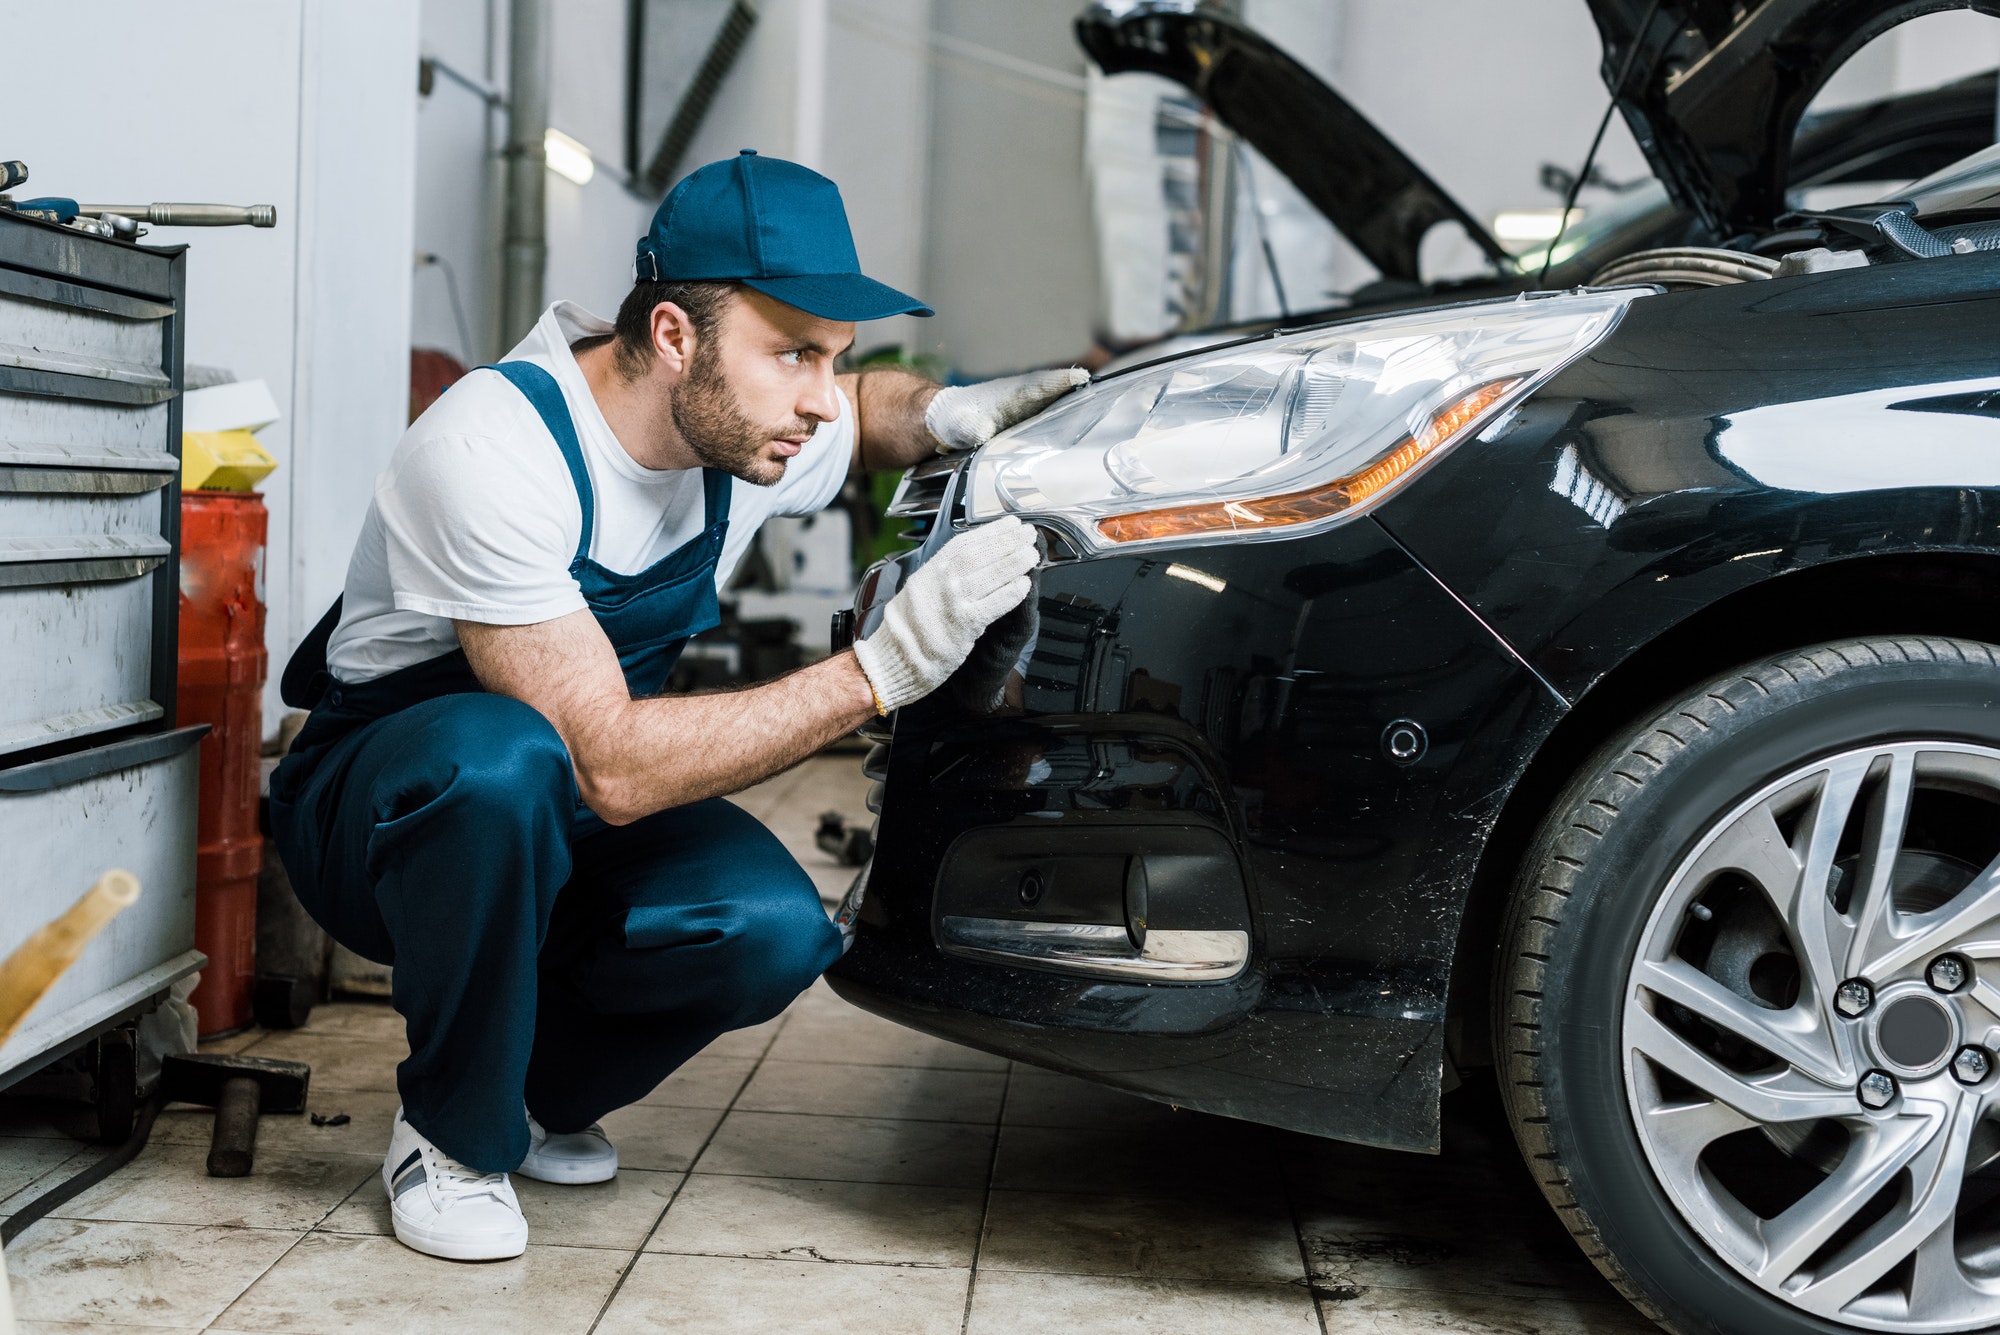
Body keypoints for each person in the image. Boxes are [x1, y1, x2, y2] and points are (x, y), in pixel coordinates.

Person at [267, 150, 1083, 1261]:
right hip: (387, 811)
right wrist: (878, 674)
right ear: (670, 336)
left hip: (571, 805)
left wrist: (950, 414)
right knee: (502, 758)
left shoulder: (744, 424)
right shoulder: (491, 448)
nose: (815, 397)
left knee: (772, 930)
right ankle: (451, 1140)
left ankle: (532, 1087)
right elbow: (605, 760)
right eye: (791, 351)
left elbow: (867, 412)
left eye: (828, 355)